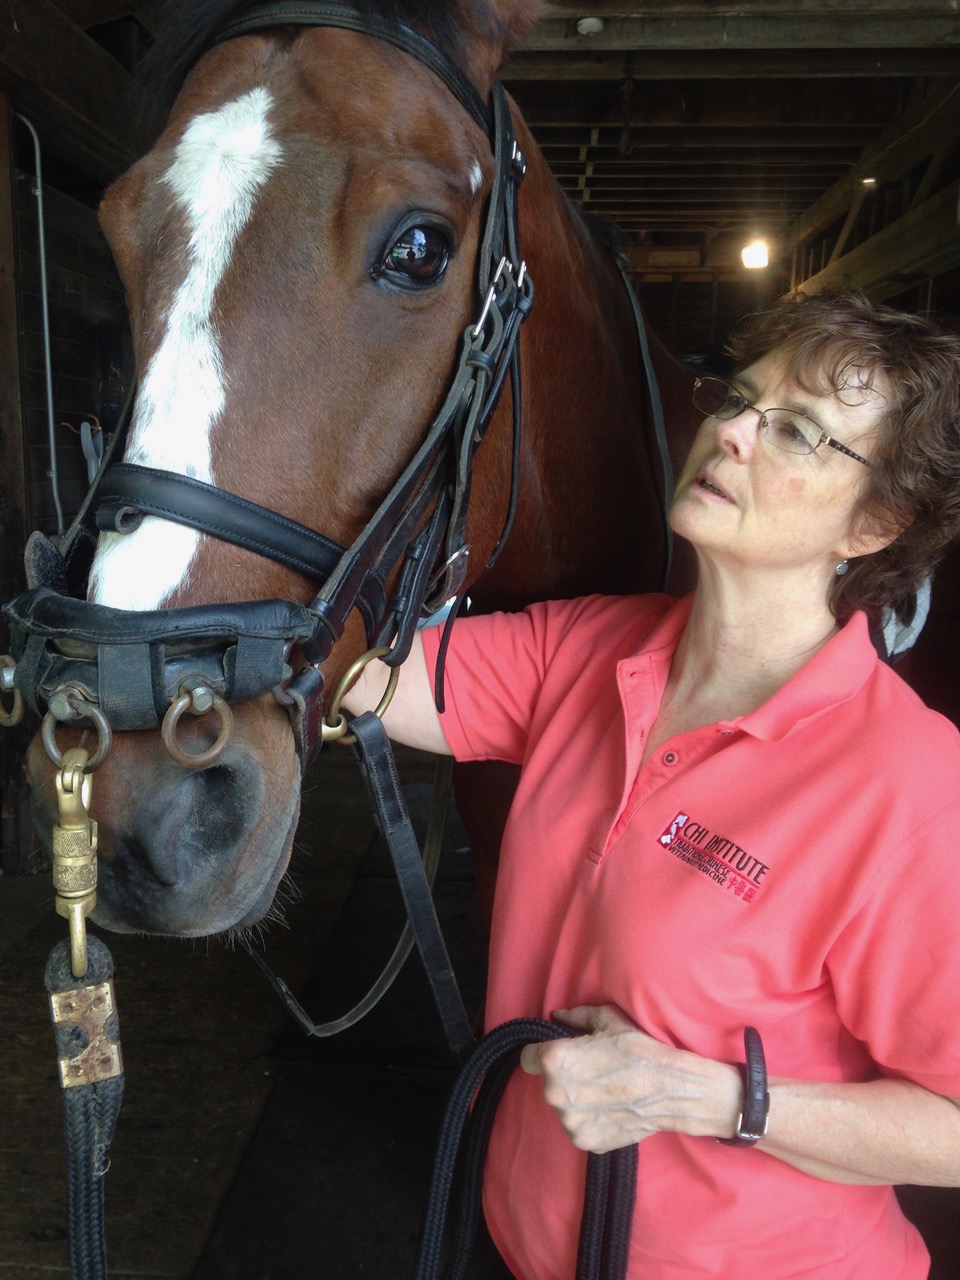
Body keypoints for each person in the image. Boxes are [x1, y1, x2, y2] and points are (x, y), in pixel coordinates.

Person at [343, 289, 960, 1279]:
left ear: (876, 521)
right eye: (738, 398)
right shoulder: (591, 648)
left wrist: (707, 1097)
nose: (734, 432)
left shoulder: (909, 785)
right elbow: (358, 673)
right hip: (523, 1240)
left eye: (797, 430)